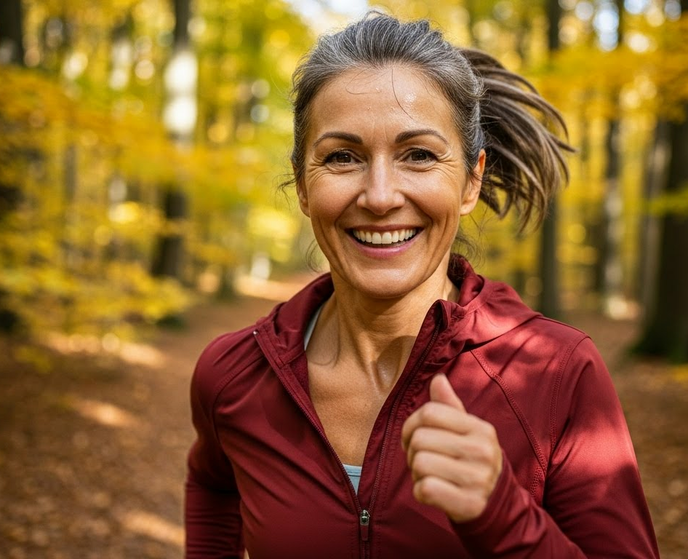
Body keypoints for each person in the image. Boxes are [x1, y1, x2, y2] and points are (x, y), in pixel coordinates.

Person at [185, 12, 659, 559]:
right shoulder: (233, 374)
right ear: (302, 185)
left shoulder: (559, 370)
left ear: (470, 181)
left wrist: (504, 516)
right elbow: (213, 484)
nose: (381, 195)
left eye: (419, 155)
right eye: (342, 157)